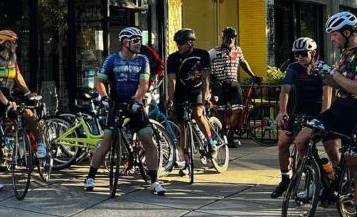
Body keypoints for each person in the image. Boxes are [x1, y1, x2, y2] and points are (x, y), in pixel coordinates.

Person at [292, 12, 357, 217]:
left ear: (348, 33)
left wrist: (331, 72)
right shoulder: (344, 55)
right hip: (338, 110)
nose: (332, 39)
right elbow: (337, 83)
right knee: (302, 139)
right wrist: (320, 74)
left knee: (355, 165)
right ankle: (323, 177)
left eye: (334, 35)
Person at [85, 27, 166, 195]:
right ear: (125, 43)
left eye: (140, 40)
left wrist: (137, 101)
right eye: (135, 41)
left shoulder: (143, 60)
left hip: (134, 104)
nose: (139, 44)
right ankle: (90, 176)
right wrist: (104, 97)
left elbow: (144, 84)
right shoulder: (112, 59)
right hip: (115, 103)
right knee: (106, 141)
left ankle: (154, 181)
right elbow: (100, 80)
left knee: (147, 139)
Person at [0, 30, 46, 191]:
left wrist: (28, 93)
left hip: (10, 98)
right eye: (14, 42)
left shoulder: (13, 59)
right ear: (6, 43)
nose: (16, 45)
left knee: (29, 114)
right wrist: (6, 103)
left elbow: (18, 78)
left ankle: (40, 143)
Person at [271, 37, 331, 198]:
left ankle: (314, 182)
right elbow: (286, 90)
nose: (299, 58)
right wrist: (282, 111)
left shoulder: (322, 67)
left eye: (303, 54)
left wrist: (324, 116)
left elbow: (327, 93)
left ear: (313, 53)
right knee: (283, 143)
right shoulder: (293, 67)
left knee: (304, 145)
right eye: (296, 54)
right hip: (298, 110)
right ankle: (285, 179)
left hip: (317, 112)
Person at [165, 28, 216, 170]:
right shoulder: (173, 58)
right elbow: (172, 80)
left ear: (191, 42)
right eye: (177, 43)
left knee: (198, 114)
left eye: (181, 43)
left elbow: (206, 76)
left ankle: (210, 142)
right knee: (182, 127)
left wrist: (206, 93)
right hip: (181, 91)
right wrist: (170, 98)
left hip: (197, 89)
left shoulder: (202, 54)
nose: (178, 46)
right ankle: (187, 160)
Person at [207, 27, 260, 147]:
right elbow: (203, 63)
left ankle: (230, 135)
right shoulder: (214, 51)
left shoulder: (237, 50)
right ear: (223, 37)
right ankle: (223, 136)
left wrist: (253, 75)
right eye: (227, 36)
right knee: (219, 112)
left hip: (233, 84)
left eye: (233, 37)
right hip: (220, 85)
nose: (230, 39)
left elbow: (243, 62)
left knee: (238, 110)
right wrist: (210, 76)